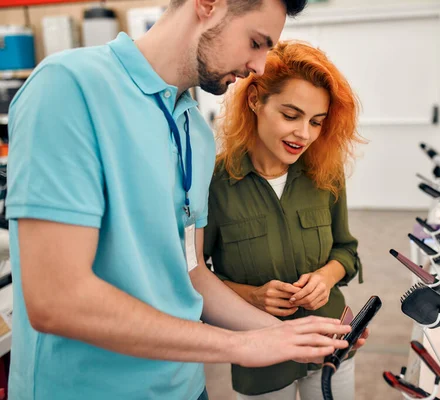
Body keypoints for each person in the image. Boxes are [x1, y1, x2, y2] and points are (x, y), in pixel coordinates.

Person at [5, 1, 366, 399]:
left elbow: (191, 273)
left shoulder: (193, 126)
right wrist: (240, 345)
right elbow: (57, 300)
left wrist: (289, 334)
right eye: (255, 42)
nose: (260, 67)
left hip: (185, 388)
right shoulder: (69, 87)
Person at [204, 41, 366, 399]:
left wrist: (326, 277)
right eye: (291, 116)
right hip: (260, 354)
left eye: (316, 122)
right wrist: (251, 296)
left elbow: (347, 251)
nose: (304, 134)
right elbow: (195, 277)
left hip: (330, 341)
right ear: (255, 101)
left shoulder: (325, 173)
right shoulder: (214, 184)